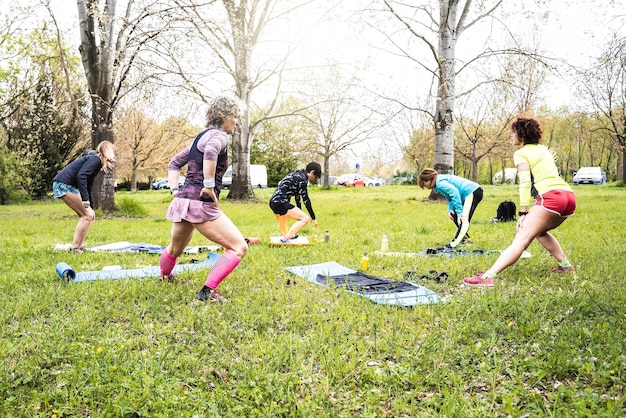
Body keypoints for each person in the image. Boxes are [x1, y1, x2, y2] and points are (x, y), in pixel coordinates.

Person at [463, 115, 576, 287]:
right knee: (539, 231)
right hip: (568, 197)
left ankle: (487, 277)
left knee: (522, 238)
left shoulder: (521, 153)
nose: (511, 136)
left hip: (551, 197)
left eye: (513, 132)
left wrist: (523, 213)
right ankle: (565, 266)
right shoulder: (543, 149)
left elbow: (525, 183)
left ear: (521, 135)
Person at [160, 96, 247, 303]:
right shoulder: (219, 137)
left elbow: (174, 163)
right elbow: (210, 152)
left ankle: (165, 277)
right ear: (224, 116)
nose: (236, 122)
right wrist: (208, 186)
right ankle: (207, 293)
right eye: (235, 117)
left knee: (175, 249)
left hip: (183, 202)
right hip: (200, 204)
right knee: (238, 247)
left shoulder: (200, 137)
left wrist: (174, 189)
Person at [52, 141, 116, 253]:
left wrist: (90, 205)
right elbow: (81, 176)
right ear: (107, 151)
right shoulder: (95, 160)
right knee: (86, 215)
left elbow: (88, 184)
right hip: (63, 185)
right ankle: (75, 248)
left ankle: (80, 246)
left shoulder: (97, 162)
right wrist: (85, 200)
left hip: (66, 185)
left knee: (88, 215)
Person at [418, 168, 484, 248]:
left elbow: (455, 192)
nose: (425, 186)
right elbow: (449, 197)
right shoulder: (437, 185)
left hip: (472, 192)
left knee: (463, 218)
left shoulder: (440, 183)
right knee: (454, 215)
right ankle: (465, 239)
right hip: (469, 193)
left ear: (429, 179)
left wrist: (460, 213)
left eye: (424, 183)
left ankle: (454, 243)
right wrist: (450, 209)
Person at [269, 163, 321, 243]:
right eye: (315, 176)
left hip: (273, 201)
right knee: (305, 219)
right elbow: (306, 199)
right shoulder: (303, 180)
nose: (314, 179)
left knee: (283, 219)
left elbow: (297, 197)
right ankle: (286, 239)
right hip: (281, 202)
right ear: (312, 172)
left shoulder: (296, 174)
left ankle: (288, 235)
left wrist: (299, 212)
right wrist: (313, 217)